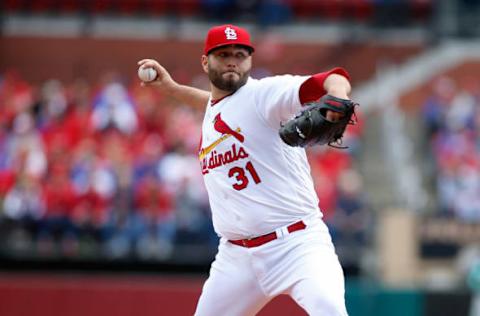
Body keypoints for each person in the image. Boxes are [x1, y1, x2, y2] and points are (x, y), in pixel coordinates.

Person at [138, 24, 352, 316]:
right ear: (205, 62)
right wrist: (172, 90)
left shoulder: (264, 94)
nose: (232, 61)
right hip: (236, 259)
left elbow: (334, 79)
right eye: (223, 54)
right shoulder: (218, 107)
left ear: (250, 61)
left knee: (330, 311)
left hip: (297, 245)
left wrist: (337, 98)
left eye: (240, 54)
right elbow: (212, 103)